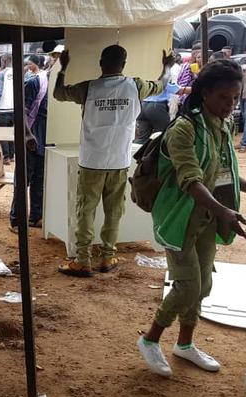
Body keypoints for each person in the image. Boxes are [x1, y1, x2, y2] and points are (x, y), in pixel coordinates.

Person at [138, 60, 246, 377]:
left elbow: (223, 173)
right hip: (178, 217)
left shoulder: (220, 125)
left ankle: (185, 344)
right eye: (224, 98)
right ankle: (150, 339)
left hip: (204, 216)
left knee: (203, 283)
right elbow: (191, 179)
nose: (230, 105)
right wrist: (223, 211)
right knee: (188, 285)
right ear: (205, 93)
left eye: (235, 99)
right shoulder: (184, 129)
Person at [54, 45, 172, 277]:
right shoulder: (136, 86)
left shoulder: (88, 88)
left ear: (100, 63)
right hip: (119, 160)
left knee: (85, 211)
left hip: (91, 161)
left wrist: (63, 68)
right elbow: (163, 84)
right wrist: (167, 66)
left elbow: (59, 93)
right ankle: (108, 256)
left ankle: (82, 260)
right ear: (124, 64)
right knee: (114, 211)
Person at [9, 54, 48, 232]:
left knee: (40, 180)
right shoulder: (36, 83)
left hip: (46, 141)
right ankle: (17, 219)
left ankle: (35, 217)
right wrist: (27, 135)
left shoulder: (57, 87)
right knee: (23, 180)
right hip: (31, 140)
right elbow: (21, 110)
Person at [0, 53, 15, 164]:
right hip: (14, 108)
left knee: (3, 134)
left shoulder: (1, 74)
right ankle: (12, 155)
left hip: (3, 109)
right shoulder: (18, 72)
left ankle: (6, 157)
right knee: (11, 133)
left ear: (5, 61)